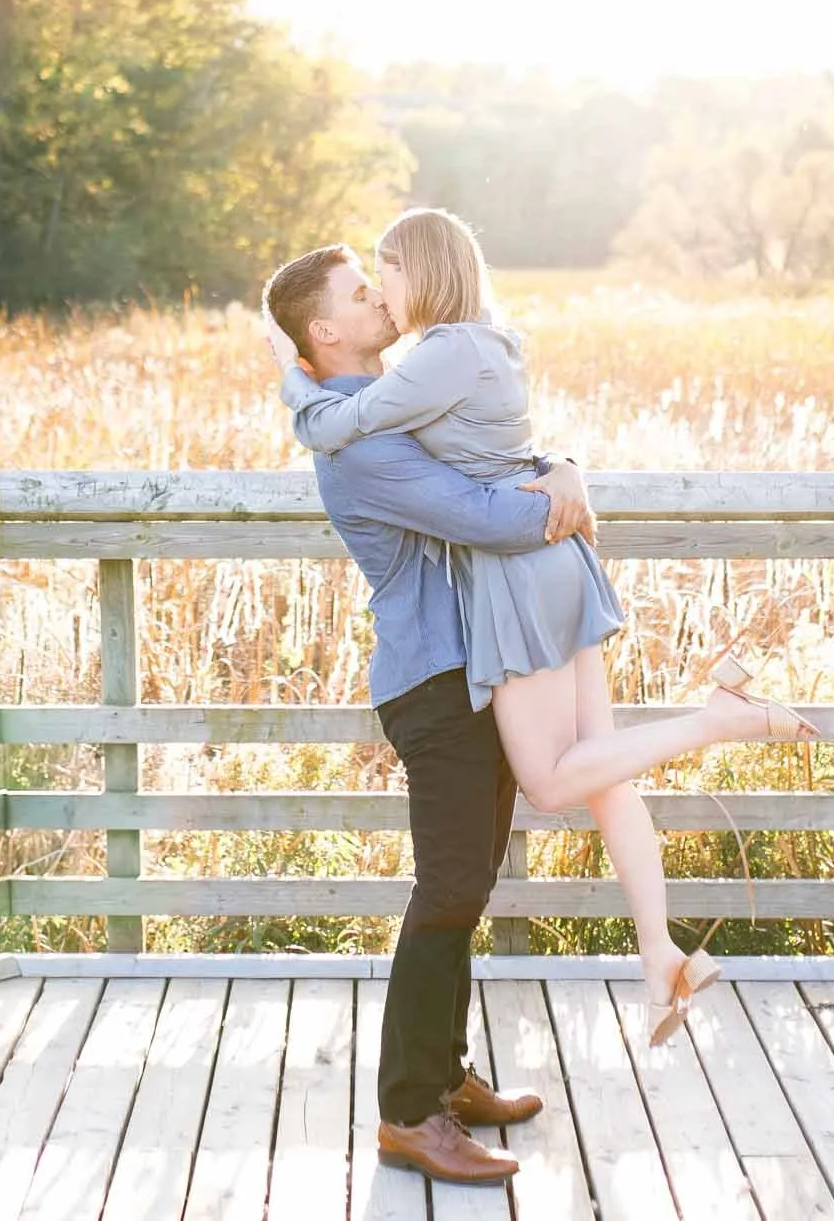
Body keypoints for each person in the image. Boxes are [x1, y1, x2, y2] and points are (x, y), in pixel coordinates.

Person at [256, 239, 591, 1186]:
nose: (381, 299)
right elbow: (492, 513)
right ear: (326, 331)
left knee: (467, 885)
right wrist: (569, 492)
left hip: (471, 670)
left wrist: (558, 459)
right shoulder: (359, 447)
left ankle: (445, 1075)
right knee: (446, 890)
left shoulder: (385, 405)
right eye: (362, 295)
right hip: (433, 684)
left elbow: (496, 450)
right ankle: (408, 1112)